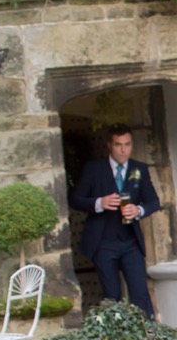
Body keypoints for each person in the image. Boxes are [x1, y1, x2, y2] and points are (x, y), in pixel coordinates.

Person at [69, 123, 161, 318]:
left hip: (131, 242)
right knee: (111, 296)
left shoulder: (139, 169)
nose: (123, 150)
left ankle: (149, 337)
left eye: (127, 144)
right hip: (103, 242)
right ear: (109, 145)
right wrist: (99, 202)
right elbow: (75, 199)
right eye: (118, 144)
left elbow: (154, 201)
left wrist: (139, 209)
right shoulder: (94, 169)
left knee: (140, 292)